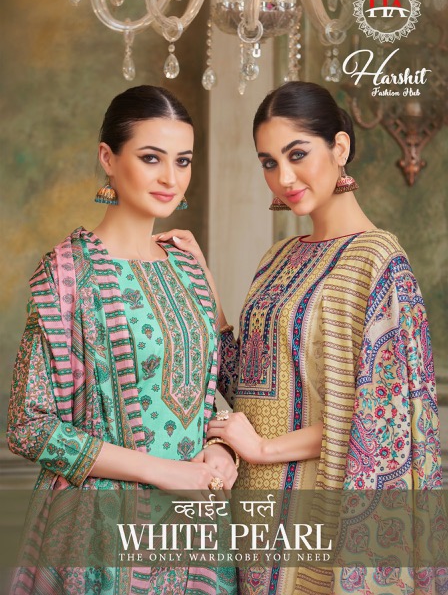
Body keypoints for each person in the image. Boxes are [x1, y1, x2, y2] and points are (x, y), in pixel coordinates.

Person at [155, 81, 443, 595]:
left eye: (297, 154)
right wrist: (201, 281)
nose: (283, 177)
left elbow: (382, 425)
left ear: (340, 147)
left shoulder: (379, 264)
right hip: (252, 514)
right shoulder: (278, 258)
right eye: (269, 162)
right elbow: (241, 381)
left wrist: (263, 449)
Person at [7, 85, 238, 595]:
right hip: (101, 535)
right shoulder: (66, 274)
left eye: (182, 160)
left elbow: (216, 393)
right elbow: (29, 427)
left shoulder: (189, 270)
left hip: (197, 534)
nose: (170, 178)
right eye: (151, 158)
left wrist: (221, 449)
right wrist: (164, 473)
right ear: (108, 158)